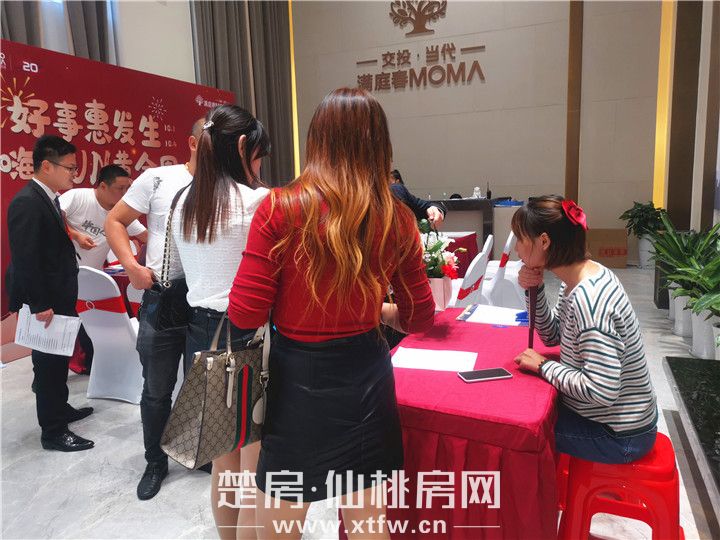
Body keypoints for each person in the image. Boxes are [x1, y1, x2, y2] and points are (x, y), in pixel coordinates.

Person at [229, 88, 435, 537]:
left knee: (279, 521)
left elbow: (244, 314)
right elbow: (420, 317)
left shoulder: (279, 208)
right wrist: (377, 310)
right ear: (380, 144)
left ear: (316, 141)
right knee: (367, 521)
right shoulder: (397, 218)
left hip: (295, 384)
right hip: (367, 378)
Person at [172, 105, 270, 538]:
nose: (260, 165)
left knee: (223, 461)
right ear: (244, 146)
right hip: (249, 337)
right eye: (259, 154)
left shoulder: (183, 201)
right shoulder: (258, 202)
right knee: (254, 465)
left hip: (201, 335)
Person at [512, 195, 657, 464]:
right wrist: (535, 288)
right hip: (613, 420)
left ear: (544, 241)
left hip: (618, 435)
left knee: (518, 429)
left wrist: (543, 366)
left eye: (520, 239)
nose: (516, 249)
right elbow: (553, 335)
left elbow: (601, 391)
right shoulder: (579, 277)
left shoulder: (589, 300)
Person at [105, 117, 204, 500]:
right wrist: (131, 266)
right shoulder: (159, 178)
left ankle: (196, 450)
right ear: (193, 143)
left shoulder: (229, 186)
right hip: (162, 296)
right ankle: (155, 461)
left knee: (200, 385)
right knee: (157, 387)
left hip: (205, 301)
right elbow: (116, 220)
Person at [6, 134, 94, 452]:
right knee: (47, 365)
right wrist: (40, 304)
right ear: (47, 166)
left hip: (58, 297)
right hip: (45, 303)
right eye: (69, 168)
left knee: (58, 361)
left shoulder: (49, 198)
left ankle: (61, 409)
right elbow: (26, 258)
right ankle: (53, 431)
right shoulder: (27, 202)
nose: (74, 174)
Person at [61, 164, 147, 270]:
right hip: (62, 270)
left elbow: (146, 236)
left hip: (93, 274)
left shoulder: (122, 213)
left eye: (127, 188)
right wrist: (75, 235)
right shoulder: (78, 196)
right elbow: (53, 217)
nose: (124, 193)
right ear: (103, 186)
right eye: (120, 188)